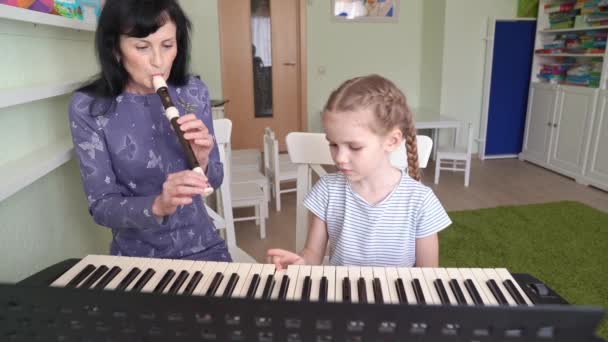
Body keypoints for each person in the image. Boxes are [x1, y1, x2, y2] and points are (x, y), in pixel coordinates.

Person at [69, 0, 231, 261]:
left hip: (203, 246)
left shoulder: (192, 93)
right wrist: (158, 204)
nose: (159, 61)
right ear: (115, 49)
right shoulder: (88, 107)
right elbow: (101, 206)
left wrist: (202, 161)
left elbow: (215, 181)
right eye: (142, 47)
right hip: (136, 258)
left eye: (167, 45)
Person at [268, 74, 451, 269]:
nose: (339, 158)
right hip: (342, 292)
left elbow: (427, 275)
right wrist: (301, 262)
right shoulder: (327, 190)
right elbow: (313, 254)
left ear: (392, 141)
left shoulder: (420, 200)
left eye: (354, 147)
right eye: (333, 144)